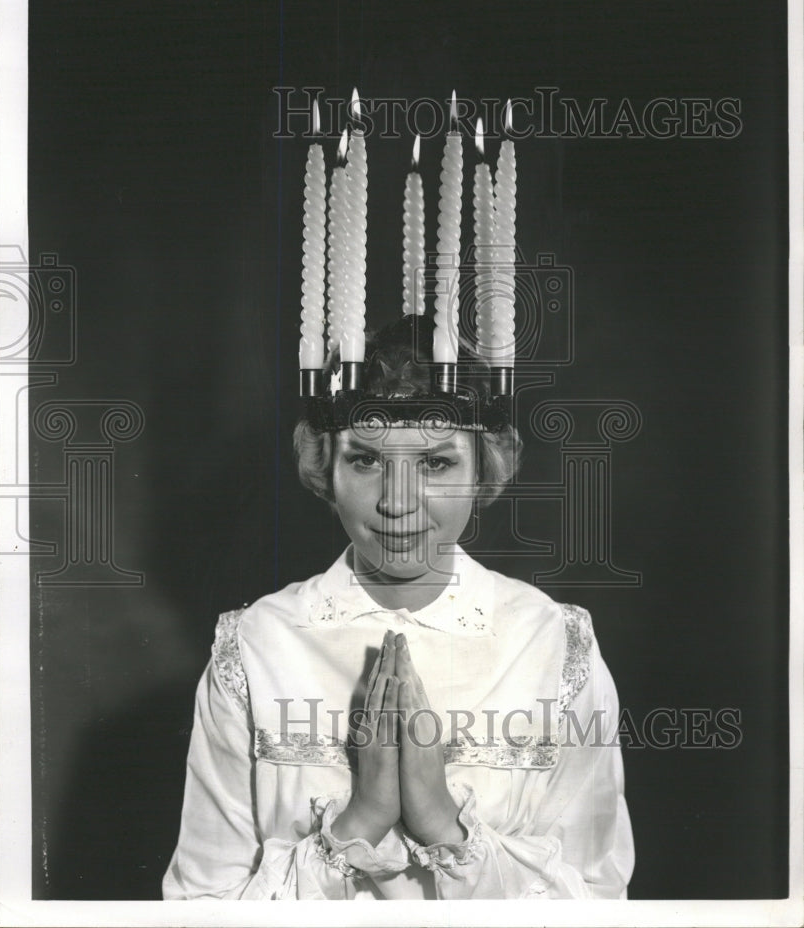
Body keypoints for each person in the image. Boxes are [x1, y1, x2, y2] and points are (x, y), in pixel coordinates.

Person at [162, 314, 635, 900]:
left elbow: (597, 898)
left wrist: (444, 823)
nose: (398, 502)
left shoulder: (553, 643)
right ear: (325, 469)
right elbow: (200, 904)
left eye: (436, 463)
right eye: (366, 460)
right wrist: (358, 823)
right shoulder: (257, 645)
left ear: (485, 466)